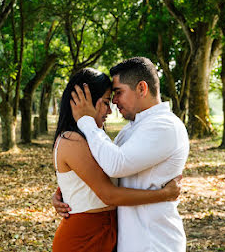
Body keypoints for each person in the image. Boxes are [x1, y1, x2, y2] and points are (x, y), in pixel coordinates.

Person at [55, 57, 189, 252]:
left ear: (142, 88)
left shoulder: (165, 125)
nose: (114, 103)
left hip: (154, 241)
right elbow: (103, 170)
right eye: (109, 99)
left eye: (118, 93)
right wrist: (67, 192)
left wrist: (85, 120)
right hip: (123, 239)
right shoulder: (132, 129)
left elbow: (115, 165)